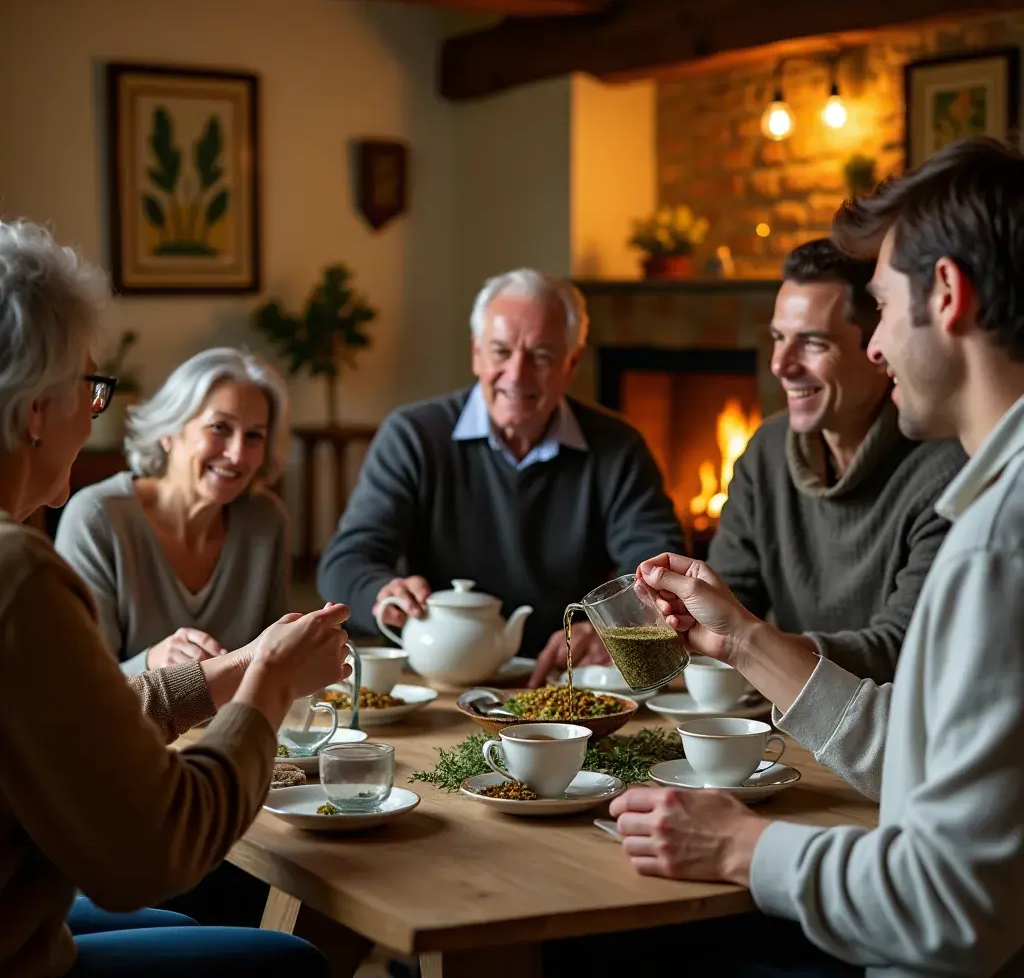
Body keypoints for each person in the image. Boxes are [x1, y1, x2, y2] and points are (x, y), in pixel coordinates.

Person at [603, 137, 1024, 976]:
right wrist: (742, 641)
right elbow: (922, 751)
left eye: (882, 306)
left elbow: (955, 908)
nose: (874, 347)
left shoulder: (996, 543)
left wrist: (741, 846)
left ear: (946, 295)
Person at [0, 219, 351, 977]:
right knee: (289, 962)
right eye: (88, 388)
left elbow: (76, 728)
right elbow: (148, 854)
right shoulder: (18, 574)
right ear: (35, 410)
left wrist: (235, 670)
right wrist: (270, 686)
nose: (93, 410)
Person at [316, 268, 684, 681]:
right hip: (440, 679)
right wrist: (383, 593)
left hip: (566, 679)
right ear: (476, 353)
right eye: (500, 351)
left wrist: (615, 628)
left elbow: (659, 562)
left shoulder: (618, 447)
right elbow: (344, 565)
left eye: (541, 356)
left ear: (572, 363)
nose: (517, 374)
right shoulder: (414, 436)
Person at [707, 238, 965, 683]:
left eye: (812, 343)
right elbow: (729, 602)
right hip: (784, 712)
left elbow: (901, 647)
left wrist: (755, 647)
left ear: (878, 349)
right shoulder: (766, 450)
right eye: (778, 338)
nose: (781, 365)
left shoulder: (945, 469)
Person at [55, 348, 290, 675]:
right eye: (220, 427)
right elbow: (77, 682)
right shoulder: (96, 517)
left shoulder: (266, 520)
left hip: (239, 723)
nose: (237, 454)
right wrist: (151, 662)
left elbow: (275, 662)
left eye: (254, 435)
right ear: (169, 432)